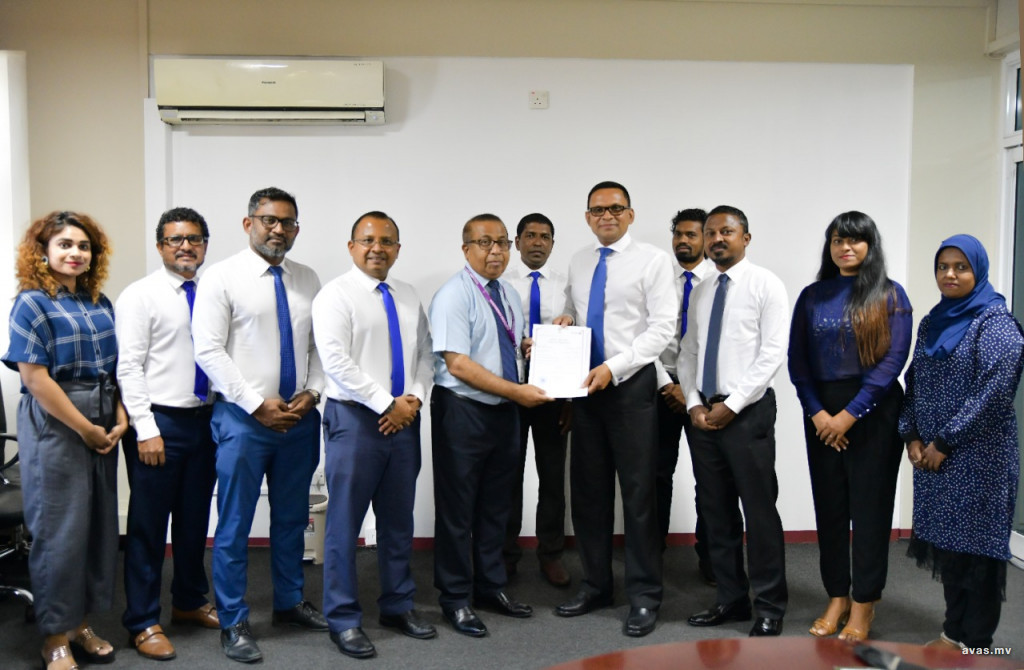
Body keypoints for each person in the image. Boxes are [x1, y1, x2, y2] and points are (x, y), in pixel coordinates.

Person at [192, 187, 327, 663]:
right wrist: (255, 404)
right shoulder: (221, 277)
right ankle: (233, 619)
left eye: (287, 222)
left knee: (292, 519)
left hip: (299, 420)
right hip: (243, 421)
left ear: (296, 229)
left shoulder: (307, 278)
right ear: (248, 223)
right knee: (235, 523)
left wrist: (313, 392)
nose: (278, 229)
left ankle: (289, 602)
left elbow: (317, 347)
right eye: (269, 220)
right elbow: (208, 350)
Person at [3, 211, 128, 670]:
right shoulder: (31, 304)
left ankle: (80, 625)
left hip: (104, 413)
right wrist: (85, 427)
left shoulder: (99, 302)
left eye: (84, 246)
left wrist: (120, 418)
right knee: (59, 533)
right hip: (56, 422)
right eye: (65, 244)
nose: (76, 253)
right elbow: (35, 379)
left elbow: (115, 368)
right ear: (43, 252)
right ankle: (54, 634)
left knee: (97, 529)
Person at [552, 182, 676, 638]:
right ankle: (596, 586)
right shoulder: (580, 260)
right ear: (587, 217)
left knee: (638, 495)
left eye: (616, 208)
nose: (607, 216)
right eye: (598, 210)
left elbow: (662, 329)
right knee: (589, 494)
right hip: (587, 388)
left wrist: (614, 367)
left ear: (630, 214)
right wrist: (566, 317)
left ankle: (644, 596)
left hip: (630, 385)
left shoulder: (653, 261)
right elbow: (575, 306)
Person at [311, 211, 435, 659]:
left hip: (404, 420)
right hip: (356, 421)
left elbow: (425, 354)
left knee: (398, 522)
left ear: (398, 249)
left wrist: (413, 399)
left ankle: (397, 606)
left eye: (386, 241)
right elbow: (336, 363)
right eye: (367, 240)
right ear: (351, 247)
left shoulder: (408, 295)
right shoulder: (335, 295)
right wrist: (388, 404)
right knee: (344, 525)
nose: (377, 248)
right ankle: (343, 619)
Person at [788, 211, 912, 642]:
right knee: (831, 509)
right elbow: (798, 361)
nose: (845, 247)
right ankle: (837, 596)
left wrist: (849, 415)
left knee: (870, 511)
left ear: (870, 246)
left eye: (855, 240)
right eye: (838, 240)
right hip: (821, 415)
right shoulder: (812, 295)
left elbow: (893, 361)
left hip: (874, 412)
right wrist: (819, 414)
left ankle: (864, 603)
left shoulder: (890, 294)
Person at [900, 234, 1024, 651]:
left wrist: (945, 442)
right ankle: (953, 634)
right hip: (934, 459)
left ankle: (977, 644)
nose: (949, 274)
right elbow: (914, 381)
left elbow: (994, 392)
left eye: (961, 267)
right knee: (950, 548)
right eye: (943, 267)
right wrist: (911, 435)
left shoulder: (995, 323)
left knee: (979, 553)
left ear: (978, 270)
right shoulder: (932, 321)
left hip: (980, 458)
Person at [429, 214, 550, 637]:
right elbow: (458, 364)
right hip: (463, 411)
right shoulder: (453, 295)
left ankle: (490, 586)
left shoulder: (508, 293)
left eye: (502, 242)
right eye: (485, 243)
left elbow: (507, 343)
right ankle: (455, 598)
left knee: (497, 506)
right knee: (458, 510)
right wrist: (517, 392)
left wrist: (529, 346)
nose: (496, 251)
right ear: (466, 249)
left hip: (503, 412)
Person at [678, 205, 789, 637]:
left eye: (726, 231)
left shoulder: (766, 284)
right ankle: (730, 599)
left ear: (746, 237)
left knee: (759, 513)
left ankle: (770, 606)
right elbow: (689, 350)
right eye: (710, 233)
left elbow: (772, 353)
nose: (716, 239)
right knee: (716, 512)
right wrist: (693, 403)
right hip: (704, 415)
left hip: (747, 415)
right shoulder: (702, 290)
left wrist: (735, 403)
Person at [116, 207, 220, 660]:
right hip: (159, 423)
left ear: (205, 245)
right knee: (148, 527)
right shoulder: (140, 296)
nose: (186, 246)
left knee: (195, 521)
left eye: (194, 239)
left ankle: (189, 601)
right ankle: (142, 621)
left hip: (206, 421)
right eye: (175, 239)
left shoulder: (213, 293)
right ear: (160, 246)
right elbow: (128, 367)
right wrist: (145, 429)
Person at [653, 208, 740, 586]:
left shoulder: (719, 281)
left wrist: (690, 391)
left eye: (692, 234)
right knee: (656, 474)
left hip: (705, 391)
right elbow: (643, 335)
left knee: (711, 478)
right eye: (678, 234)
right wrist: (666, 384)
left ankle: (711, 557)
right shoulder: (657, 279)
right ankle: (652, 554)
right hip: (660, 386)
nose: (683, 241)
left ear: (706, 239)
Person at [503, 212, 571, 588]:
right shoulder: (500, 283)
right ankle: (506, 554)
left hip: (552, 395)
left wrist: (571, 398)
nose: (537, 242)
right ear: (517, 242)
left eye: (545, 237)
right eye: (530, 235)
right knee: (507, 477)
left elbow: (579, 336)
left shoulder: (566, 286)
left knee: (552, 478)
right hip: (511, 391)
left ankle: (551, 554)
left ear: (552, 244)